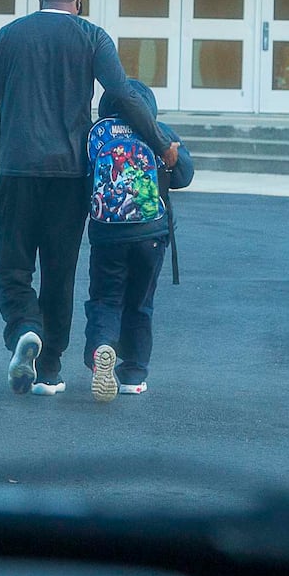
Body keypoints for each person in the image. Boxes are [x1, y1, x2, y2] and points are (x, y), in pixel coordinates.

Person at [0, 0, 179, 398]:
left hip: (17, 172)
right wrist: (160, 143)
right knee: (59, 273)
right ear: (78, 2)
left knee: (12, 267)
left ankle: (25, 329)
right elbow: (123, 96)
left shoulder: (9, 35)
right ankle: (49, 372)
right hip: (70, 179)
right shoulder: (92, 37)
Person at [83, 79, 194, 403]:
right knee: (140, 304)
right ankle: (133, 374)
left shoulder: (97, 135)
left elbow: (83, 182)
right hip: (151, 234)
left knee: (106, 299)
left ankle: (103, 346)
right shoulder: (159, 132)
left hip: (107, 234)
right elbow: (184, 175)